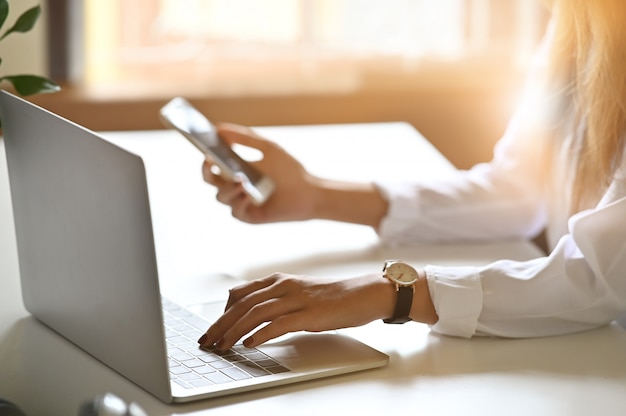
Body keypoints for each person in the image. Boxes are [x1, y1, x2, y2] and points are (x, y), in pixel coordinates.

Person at [197, 0, 626, 352]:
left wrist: (392, 293)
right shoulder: (575, 25)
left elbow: (600, 279)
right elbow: (519, 190)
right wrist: (316, 196)